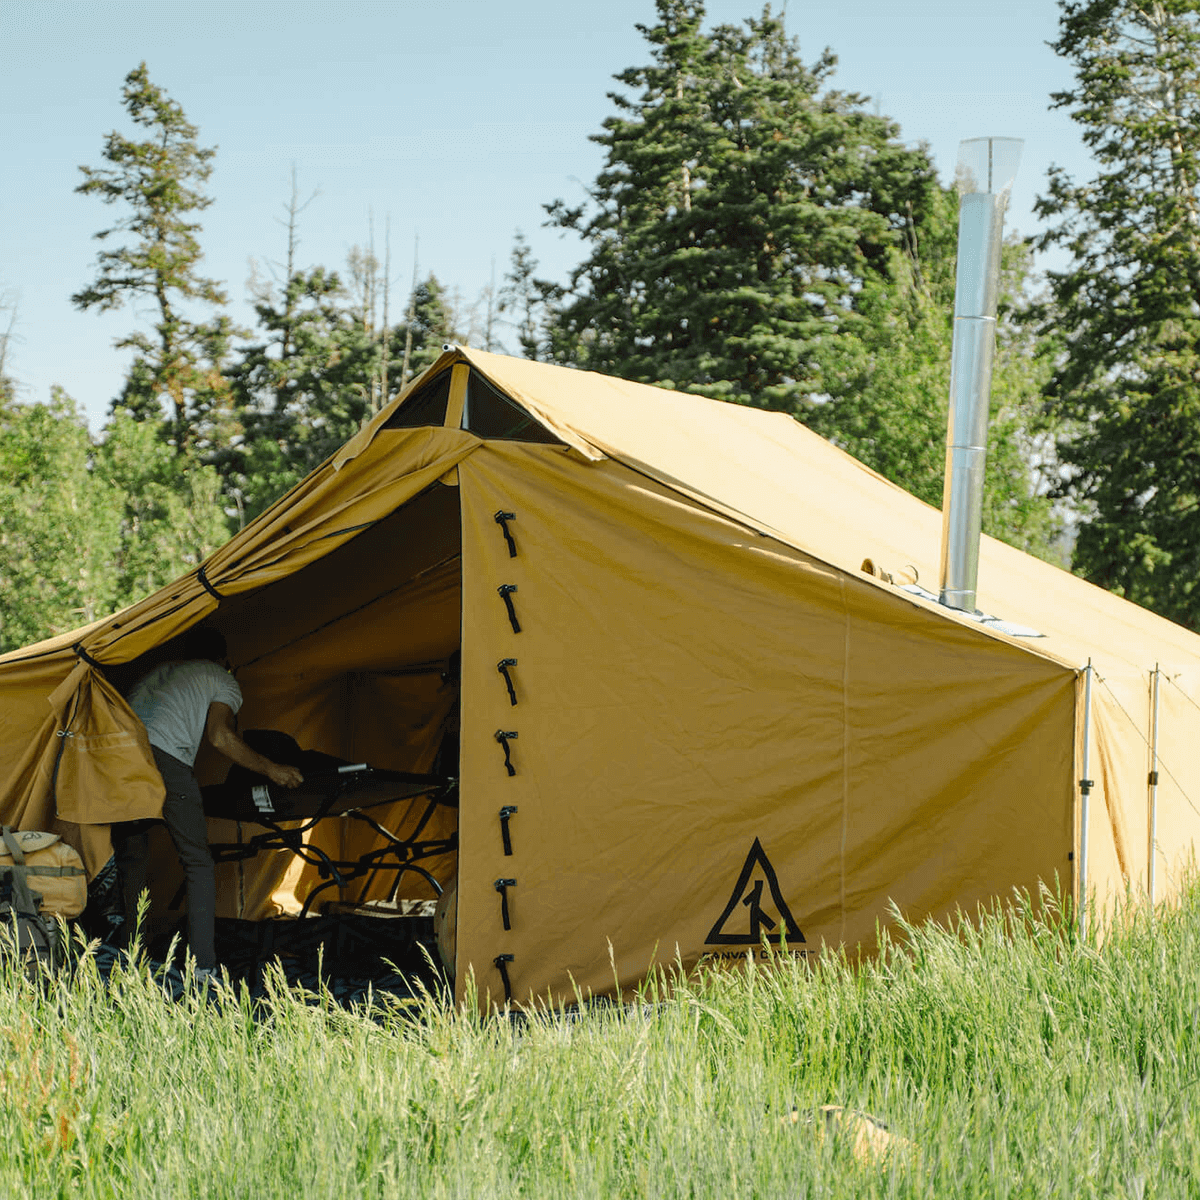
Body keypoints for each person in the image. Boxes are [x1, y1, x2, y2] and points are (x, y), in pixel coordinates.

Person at [112, 625, 303, 974]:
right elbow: (220, 736)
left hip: (117, 758)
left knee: (132, 856)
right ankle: (203, 967)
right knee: (198, 862)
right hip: (164, 760)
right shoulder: (221, 678)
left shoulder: (159, 671)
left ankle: (129, 954)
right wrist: (273, 769)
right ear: (224, 659)